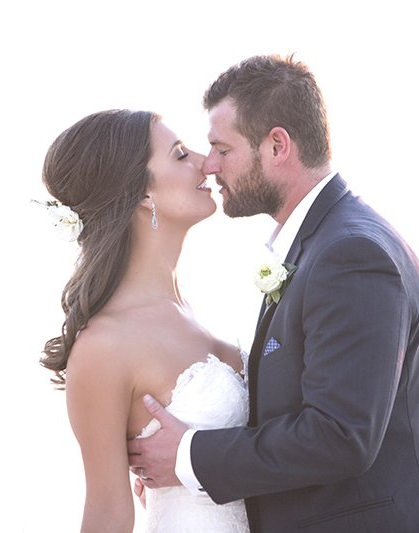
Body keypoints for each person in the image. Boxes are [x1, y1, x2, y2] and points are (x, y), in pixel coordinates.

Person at [127, 55, 419, 532]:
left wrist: (188, 457)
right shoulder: (323, 245)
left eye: (222, 148)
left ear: (277, 146)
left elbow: (339, 435)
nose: (210, 165)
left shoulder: (351, 255)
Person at [37, 109, 251, 532]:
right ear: (142, 194)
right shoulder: (105, 345)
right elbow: (107, 514)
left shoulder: (190, 310)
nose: (206, 161)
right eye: (179, 155)